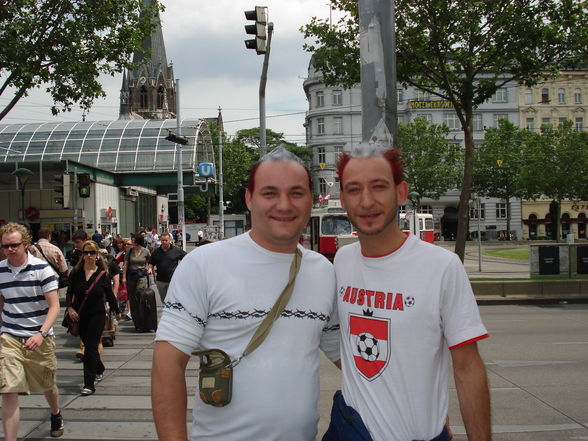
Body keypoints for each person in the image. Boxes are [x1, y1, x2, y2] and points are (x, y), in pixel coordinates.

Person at [152, 147, 340, 441]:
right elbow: (167, 364)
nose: (284, 204)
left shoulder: (323, 272)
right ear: (249, 199)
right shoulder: (204, 264)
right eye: (269, 193)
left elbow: (348, 357)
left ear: (311, 199)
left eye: (296, 193)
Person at [322, 143, 491, 441]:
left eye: (378, 187)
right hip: (351, 431)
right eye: (353, 189)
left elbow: (467, 367)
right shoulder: (342, 262)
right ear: (343, 199)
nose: (366, 201)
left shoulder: (441, 267)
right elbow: (335, 337)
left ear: (400, 193)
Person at [0, 222, 64, 439]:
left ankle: (56, 412)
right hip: (9, 337)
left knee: (48, 385)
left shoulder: (41, 269)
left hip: (39, 336)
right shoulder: (0, 271)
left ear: (25, 244)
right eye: (5, 246)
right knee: (8, 390)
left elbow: (54, 307)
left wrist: (41, 333)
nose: (9, 250)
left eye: (14, 245)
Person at [66, 241, 120, 396]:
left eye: (91, 253)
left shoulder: (102, 275)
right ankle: (99, 368)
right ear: (82, 255)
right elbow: (70, 292)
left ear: (97, 255)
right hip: (79, 315)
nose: (88, 256)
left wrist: (116, 311)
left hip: (97, 315)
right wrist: (69, 308)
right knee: (90, 348)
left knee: (90, 348)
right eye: (85, 253)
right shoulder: (76, 273)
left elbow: (109, 294)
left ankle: (88, 384)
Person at [121, 234, 151, 332]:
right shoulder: (129, 252)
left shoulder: (146, 251)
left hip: (142, 276)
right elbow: (125, 265)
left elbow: (150, 262)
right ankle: (137, 323)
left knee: (140, 295)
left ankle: (144, 321)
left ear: (137, 241)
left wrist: (149, 268)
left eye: (133, 240)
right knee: (132, 299)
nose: (131, 242)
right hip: (131, 276)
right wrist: (124, 277)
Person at [149, 232, 186, 303]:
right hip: (160, 280)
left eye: (166, 240)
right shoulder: (156, 252)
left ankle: (173, 313)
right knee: (164, 301)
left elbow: (187, 258)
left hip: (173, 280)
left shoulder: (176, 250)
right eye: (163, 240)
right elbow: (151, 263)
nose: (164, 242)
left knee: (173, 300)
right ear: (160, 240)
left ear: (170, 240)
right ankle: (166, 313)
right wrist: (150, 268)